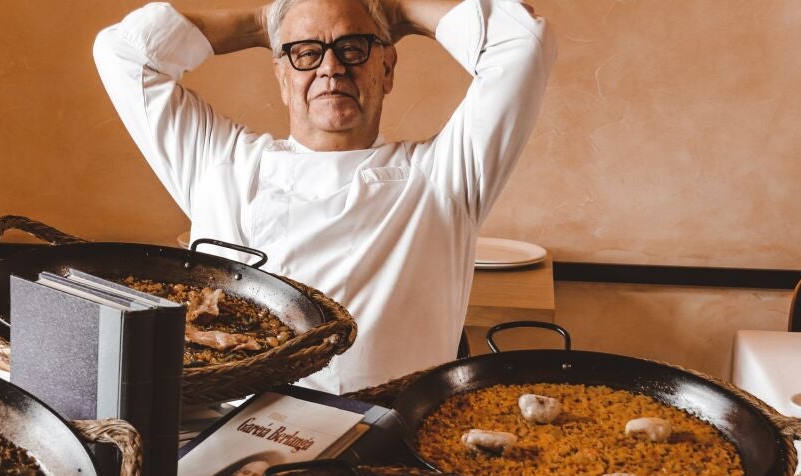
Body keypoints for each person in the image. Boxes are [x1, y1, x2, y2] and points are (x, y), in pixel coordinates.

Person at [95, 0, 555, 392]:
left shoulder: (443, 176)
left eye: (353, 48)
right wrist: (262, 20)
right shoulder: (221, 164)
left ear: (387, 68)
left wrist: (400, 9)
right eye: (305, 52)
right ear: (281, 77)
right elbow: (123, 53)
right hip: (235, 437)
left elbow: (522, 44)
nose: (331, 68)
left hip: (388, 444)